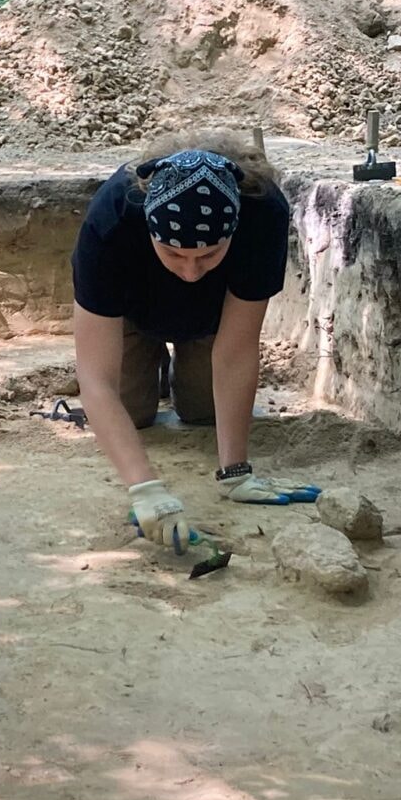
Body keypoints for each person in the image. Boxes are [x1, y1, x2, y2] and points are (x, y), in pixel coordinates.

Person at [70, 133, 320, 554]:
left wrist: (235, 471)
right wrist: (145, 489)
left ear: (233, 231)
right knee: (132, 414)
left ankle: (183, 364)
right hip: (130, 310)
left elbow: (237, 349)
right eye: (173, 253)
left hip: (212, 316)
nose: (189, 271)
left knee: (204, 410)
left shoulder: (263, 214)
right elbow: (96, 379)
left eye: (208, 254)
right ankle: (151, 360)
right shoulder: (110, 221)